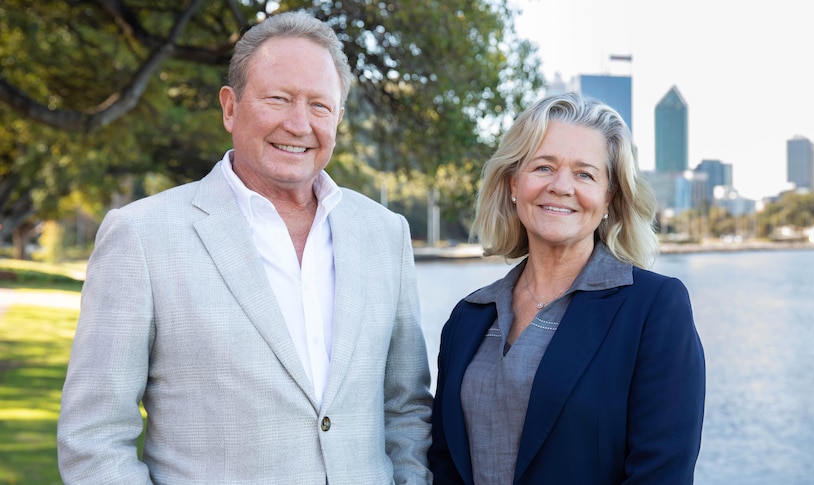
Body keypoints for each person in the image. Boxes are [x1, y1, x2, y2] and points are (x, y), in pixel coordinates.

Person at [57, 11, 433, 484]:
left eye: (319, 105)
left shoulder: (385, 234)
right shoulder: (142, 236)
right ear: (230, 107)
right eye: (278, 98)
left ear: (338, 117)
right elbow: (93, 439)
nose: (299, 124)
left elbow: (406, 409)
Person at [428, 92, 706, 484]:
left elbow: (662, 474)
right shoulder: (468, 317)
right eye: (543, 167)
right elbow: (443, 463)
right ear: (513, 183)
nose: (561, 186)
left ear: (609, 197)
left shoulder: (655, 309)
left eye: (585, 174)